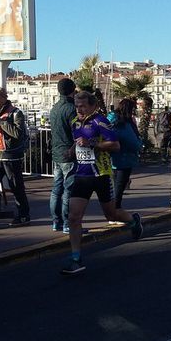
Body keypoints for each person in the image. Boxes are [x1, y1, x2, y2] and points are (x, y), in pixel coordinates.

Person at [60, 91, 142, 275]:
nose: (79, 109)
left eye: (82, 106)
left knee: (111, 215)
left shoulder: (101, 122)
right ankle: (75, 258)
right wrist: (72, 150)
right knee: (73, 217)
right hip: (82, 175)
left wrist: (91, 143)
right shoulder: (75, 123)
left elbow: (115, 145)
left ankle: (133, 221)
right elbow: (78, 140)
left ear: (92, 106)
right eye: (77, 106)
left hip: (101, 175)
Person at [0, 86, 30, 225]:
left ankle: (23, 215)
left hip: (11, 155)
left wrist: (1, 123)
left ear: (3, 98)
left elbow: (18, 134)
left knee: (16, 187)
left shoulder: (15, 113)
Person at [49, 77, 77, 233]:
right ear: (72, 90)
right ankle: (67, 223)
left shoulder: (55, 108)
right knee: (68, 190)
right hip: (69, 153)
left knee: (56, 189)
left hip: (57, 153)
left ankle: (56, 221)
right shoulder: (71, 109)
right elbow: (76, 132)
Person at [110, 98, 144, 209]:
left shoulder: (111, 119)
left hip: (112, 157)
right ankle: (115, 210)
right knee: (119, 186)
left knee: (115, 184)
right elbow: (133, 142)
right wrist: (140, 144)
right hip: (125, 158)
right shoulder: (124, 123)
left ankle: (113, 209)